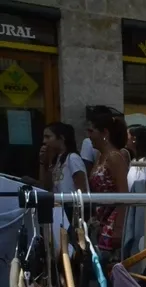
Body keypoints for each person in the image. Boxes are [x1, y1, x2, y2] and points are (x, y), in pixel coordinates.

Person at [86, 105, 130, 258]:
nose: (89, 136)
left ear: (104, 133)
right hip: (101, 220)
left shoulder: (114, 157)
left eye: (92, 131)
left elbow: (124, 193)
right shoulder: (100, 157)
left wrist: (119, 227)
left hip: (112, 222)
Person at [38, 122, 87, 195]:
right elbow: (45, 187)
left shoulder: (72, 158)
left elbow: (82, 190)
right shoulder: (57, 160)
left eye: (48, 137)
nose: (44, 141)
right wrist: (43, 162)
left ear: (61, 138)